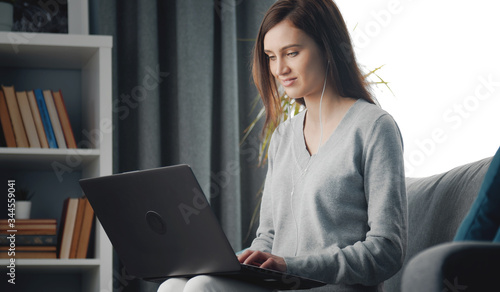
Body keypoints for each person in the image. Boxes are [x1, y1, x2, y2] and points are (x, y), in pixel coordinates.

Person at [158, 0, 407, 291]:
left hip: (332, 287)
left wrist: (291, 266)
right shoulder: (284, 136)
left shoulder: (374, 128)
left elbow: (387, 249)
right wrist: (237, 262)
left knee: (201, 288)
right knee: (174, 285)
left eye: (291, 53)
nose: (279, 69)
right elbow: (269, 235)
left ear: (327, 48)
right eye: (270, 56)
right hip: (279, 285)